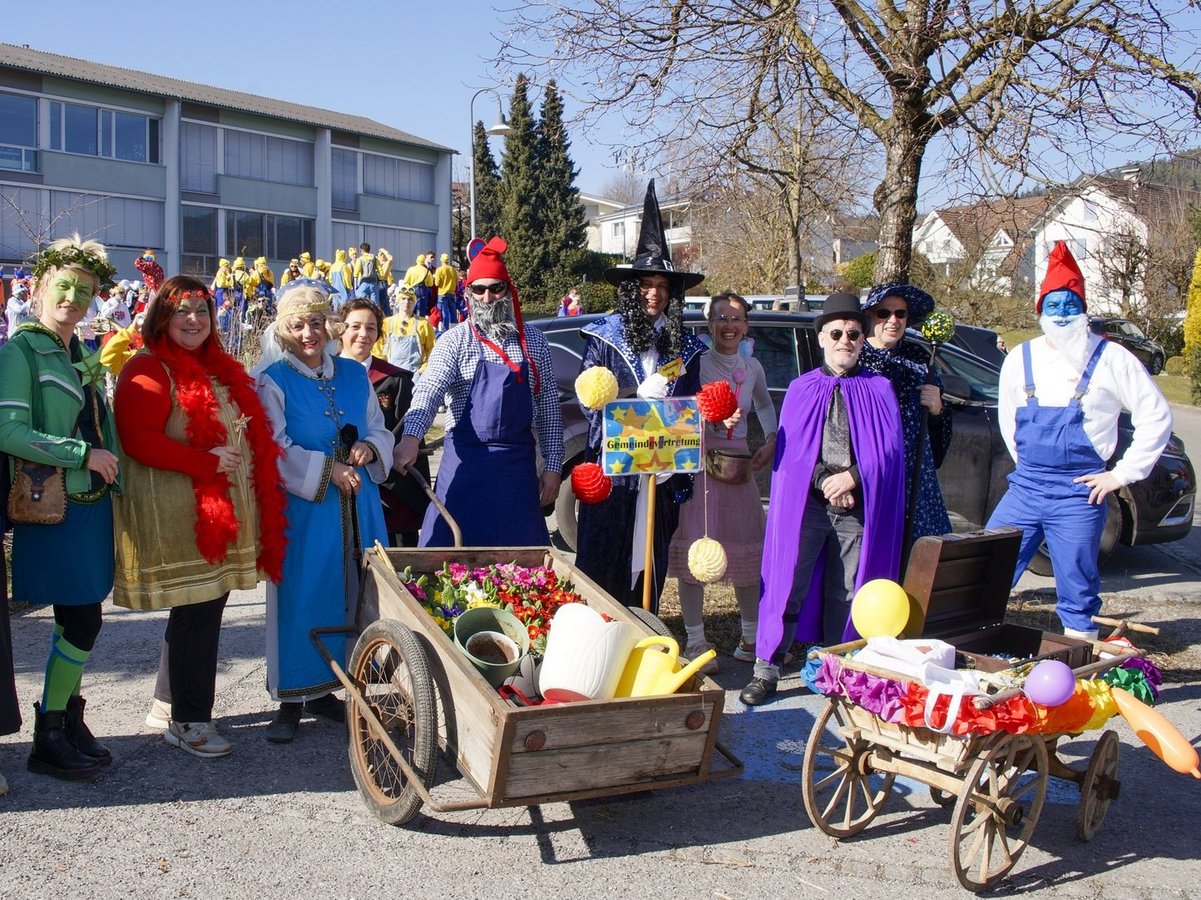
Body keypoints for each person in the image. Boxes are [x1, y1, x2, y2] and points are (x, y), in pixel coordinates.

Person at [112, 276, 287, 758]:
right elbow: (138, 439)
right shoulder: (146, 369)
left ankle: (170, 704)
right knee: (198, 613)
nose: (194, 320)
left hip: (217, 514)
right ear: (160, 318)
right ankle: (190, 721)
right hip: (182, 518)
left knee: (198, 609)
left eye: (202, 312)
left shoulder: (214, 366)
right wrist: (204, 461)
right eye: (182, 311)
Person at [986, 241, 1172, 640]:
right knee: (987, 565)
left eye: (1071, 304)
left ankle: (1076, 659)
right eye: (1054, 305)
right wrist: (1031, 467)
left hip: (1080, 493)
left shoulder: (1113, 358)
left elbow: (1156, 416)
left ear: (1084, 308)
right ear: (1041, 311)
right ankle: (975, 641)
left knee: (1077, 581)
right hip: (1026, 487)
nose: (1063, 313)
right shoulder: (1021, 357)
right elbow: (1008, 419)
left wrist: (1120, 475)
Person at [740, 293, 905, 706]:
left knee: (848, 591)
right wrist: (825, 481)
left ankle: (840, 670)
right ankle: (768, 669)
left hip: (858, 506)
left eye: (853, 333)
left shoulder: (879, 389)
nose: (844, 340)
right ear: (822, 339)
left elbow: (889, 451)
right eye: (836, 333)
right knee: (787, 584)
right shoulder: (800, 389)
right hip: (809, 507)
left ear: (862, 340)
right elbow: (793, 454)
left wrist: (853, 478)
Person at [0, 234, 122, 779]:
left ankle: (69, 718)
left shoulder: (84, 351)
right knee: (83, 620)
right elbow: (8, 430)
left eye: (85, 290)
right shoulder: (19, 351)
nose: (73, 297)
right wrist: (82, 454)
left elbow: (102, 423)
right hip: (53, 503)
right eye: (64, 286)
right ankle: (47, 733)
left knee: (76, 616)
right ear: (41, 289)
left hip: (92, 503)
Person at [255, 279, 392, 743]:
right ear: (284, 329)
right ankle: (292, 696)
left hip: (360, 504)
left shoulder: (354, 374)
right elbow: (272, 448)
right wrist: (325, 471)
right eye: (298, 325)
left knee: (359, 589)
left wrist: (372, 449)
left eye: (316, 323)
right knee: (303, 592)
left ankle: (335, 687)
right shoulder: (273, 381)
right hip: (306, 510)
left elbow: (378, 427)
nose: (309, 333)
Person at [574, 181, 707, 613]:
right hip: (613, 480)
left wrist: (675, 457)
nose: (654, 292)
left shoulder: (686, 347)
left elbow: (691, 407)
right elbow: (588, 402)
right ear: (632, 289)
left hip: (661, 478)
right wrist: (634, 395)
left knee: (650, 570)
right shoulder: (603, 337)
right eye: (646, 284)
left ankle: (641, 645)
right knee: (602, 568)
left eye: (663, 285)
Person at [394, 237, 562, 547]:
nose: (487, 297)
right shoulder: (455, 341)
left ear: (508, 290)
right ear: (468, 294)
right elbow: (430, 389)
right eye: (479, 289)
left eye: (495, 288)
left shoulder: (535, 342)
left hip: (517, 474)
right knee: (443, 561)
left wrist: (553, 467)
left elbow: (549, 408)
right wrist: (410, 437)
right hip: (464, 468)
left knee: (522, 569)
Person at [666, 292, 776, 671]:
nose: (729, 325)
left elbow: (763, 405)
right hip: (697, 462)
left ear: (746, 325)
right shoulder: (692, 363)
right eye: (721, 318)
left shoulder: (754, 368)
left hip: (738, 465)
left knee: (746, 548)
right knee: (696, 548)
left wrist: (773, 439)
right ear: (709, 324)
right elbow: (672, 405)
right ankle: (696, 641)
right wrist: (708, 418)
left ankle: (750, 637)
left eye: (737, 318)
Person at [859, 283, 952, 547]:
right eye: (884, 313)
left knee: (920, 557)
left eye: (900, 314)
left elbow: (939, 436)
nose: (893, 321)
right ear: (869, 315)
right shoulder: (855, 357)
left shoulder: (919, 358)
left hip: (915, 477)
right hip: (871, 474)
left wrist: (937, 409)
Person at [339, 297, 430, 546]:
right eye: (354, 326)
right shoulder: (324, 376)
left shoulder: (395, 380)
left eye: (371, 328)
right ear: (339, 329)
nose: (362, 334)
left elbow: (404, 433)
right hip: (335, 486)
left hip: (388, 492)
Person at [377, 285, 435, 374]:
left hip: (415, 374)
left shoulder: (423, 324)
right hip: (391, 374)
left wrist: (421, 371)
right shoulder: (387, 323)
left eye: (410, 299)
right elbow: (377, 350)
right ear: (398, 301)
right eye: (403, 299)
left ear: (414, 302)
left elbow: (432, 350)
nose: (407, 302)